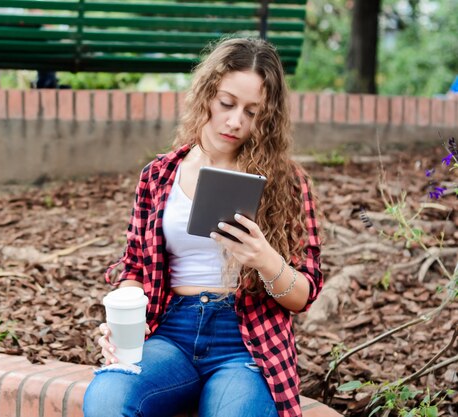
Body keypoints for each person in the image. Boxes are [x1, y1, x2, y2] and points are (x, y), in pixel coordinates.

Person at [83, 37, 323, 417]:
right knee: (107, 398)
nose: (234, 121)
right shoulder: (159, 175)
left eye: (252, 112)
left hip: (245, 340)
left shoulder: (286, 183)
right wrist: (121, 322)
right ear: (207, 94)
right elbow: (134, 267)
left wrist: (264, 259)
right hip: (171, 333)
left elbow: (304, 294)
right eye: (227, 103)